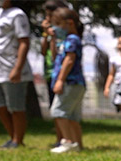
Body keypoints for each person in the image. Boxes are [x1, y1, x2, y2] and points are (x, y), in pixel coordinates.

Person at [0, 0, 33, 149]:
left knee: (16, 106)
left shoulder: (18, 14)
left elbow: (24, 41)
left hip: (12, 68)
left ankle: (17, 141)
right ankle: (12, 137)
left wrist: (17, 68)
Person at [49, 7, 85, 153]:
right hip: (76, 84)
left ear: (69, 23)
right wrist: (52, 38)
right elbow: (53, 56)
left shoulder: (72, 39)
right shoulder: (66, 41)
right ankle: (78, 145)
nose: (55, 27)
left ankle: (68, 143)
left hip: (70, 82)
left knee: (58, 111)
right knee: (72, 117)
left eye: (57, 23)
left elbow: (69, 60)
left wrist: (60, 80)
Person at [41, 0, 69, 147]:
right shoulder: (50, 30)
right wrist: (46, 34)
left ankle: (66, 139)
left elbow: (55, 55)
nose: (48, 18)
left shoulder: (65, 30)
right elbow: (43, 51)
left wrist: (52, 35)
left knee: (61, 108)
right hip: (50, 72)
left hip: (62, 73)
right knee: (54, 106)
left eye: (50, 15)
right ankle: (60, 139)